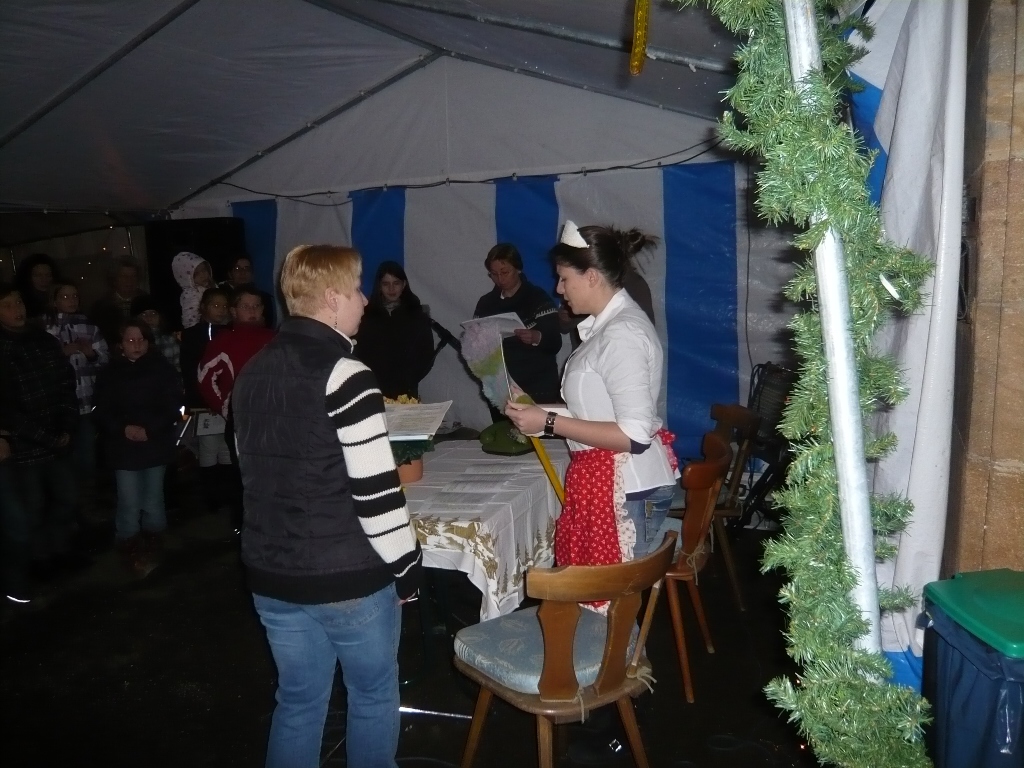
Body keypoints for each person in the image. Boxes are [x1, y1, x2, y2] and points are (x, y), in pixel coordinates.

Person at [233, 244, 422, 768]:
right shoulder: (348, 374)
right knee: (372, 695)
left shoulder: (251, 373)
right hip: (347, 578)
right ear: (334, 298)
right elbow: (377, 494)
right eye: (358, 288)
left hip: (271, 573)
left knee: (298, 701)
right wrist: (408, 570)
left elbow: (253, 476)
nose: (365, 299)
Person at [504, 222, 678, 566]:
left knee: (612, 595)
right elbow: (596, 410)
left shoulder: (622, 334)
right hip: (613, 482)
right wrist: (536, 411)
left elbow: (634, 435)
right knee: (603, 593)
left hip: (627, 488)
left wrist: (549, 422)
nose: (559, 289)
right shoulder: (610, 327)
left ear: (592, 277)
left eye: (564, 278)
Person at [0, 283, 81, 603]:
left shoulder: (44, 340)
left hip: (57, 436)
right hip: (25, 446)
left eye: (18, 302)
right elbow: (8, 411)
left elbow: (66, 383)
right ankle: (38, 560)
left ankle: (58, 550)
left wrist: (67, 426)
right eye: (7, 305)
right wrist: (47, 438)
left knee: (67, 499)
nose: (16, 309)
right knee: (31, 509)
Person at [94, 320, 182, 577]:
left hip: (155, 444)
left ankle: (155, 544)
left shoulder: (162, 370)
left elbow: (173, 405)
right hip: (123, 447)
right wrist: (123, 428)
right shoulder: (109, 373)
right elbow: (101, 409)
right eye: (130, 340)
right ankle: (129, 546)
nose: (136, 344)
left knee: (153, 498)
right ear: (120, 344)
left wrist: (151, 429)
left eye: (141, 339)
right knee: (129, 499)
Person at [197, 285, 276, 531]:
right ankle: (245, 525)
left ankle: (274, 523)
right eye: (245, 306)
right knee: (244, 474)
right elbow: (205, 377)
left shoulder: (275, 339)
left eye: (256, 306)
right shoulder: (224, 341)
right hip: (241, 422)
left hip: (275, 419)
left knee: (274, 473)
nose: (252, 311)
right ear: (233, 311)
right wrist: (226, 407)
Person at [45, 281, 110, 521]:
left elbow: (105, 360)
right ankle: (67, 512)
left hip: (85, 405)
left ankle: (87, 508)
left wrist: (91, 354)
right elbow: (40, 364)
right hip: (57, 409)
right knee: (63, 461)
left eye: (74, 295)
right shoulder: (45, 328)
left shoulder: (89, 326)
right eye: (65, 296)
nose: (71, 300)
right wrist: (62, 352)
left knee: (87, 459)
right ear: (54, 300)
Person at [473, 243, 562, 404]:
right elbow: (475, 344)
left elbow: (555, 342)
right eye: (494, 274)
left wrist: (536, 337)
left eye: (505, 272)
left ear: (518, 269)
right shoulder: (485, 303)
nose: (500, 279)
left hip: (537, 386)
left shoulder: (538, 298)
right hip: (500, 386)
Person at [179, 287, 231, 511]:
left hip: (228, 402)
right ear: (203, 308)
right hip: (204, 404)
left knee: (227, 447)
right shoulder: (192, 335)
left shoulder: (230, 331)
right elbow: (191, 371)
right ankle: (211, 498)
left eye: (224, 305)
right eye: (215, 305)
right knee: (209, 447)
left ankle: (227, 495)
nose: (221, 310)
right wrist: (203, 400)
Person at [355, 261, 434, 399]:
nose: (391, 289)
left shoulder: (417, 315)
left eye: (396, 283)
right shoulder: (365, 316)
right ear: (379, 286)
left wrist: (409, 380)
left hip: (406, 391)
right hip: (372, 389)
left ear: (404, 285)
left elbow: (426, 354)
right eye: (386, 284)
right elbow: (359, 352)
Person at [90, 258, 149, 345]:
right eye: (124, 276)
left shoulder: (147, 302)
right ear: (114, 280)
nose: (129, 280)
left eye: (133, 276)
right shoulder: (101, 306)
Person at [220, 254, 276, 328]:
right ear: (230, 274)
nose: (242, 272)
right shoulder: (221, 296)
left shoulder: (264, 298)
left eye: (247, 269)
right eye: (237, 268)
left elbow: (268, 323)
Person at [130, 294, 180, 372]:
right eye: (144, 314)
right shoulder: (131, 341)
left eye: (153, 314)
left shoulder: (169, 341)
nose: (149, 318)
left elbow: (177, 367)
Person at [172, 251, 214, 329]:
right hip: (201, 330)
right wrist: (194, 332)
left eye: (204, 270)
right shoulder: (191, 294)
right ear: (186, 277)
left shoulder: (212, 287)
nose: (202, 275)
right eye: (196, 274)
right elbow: (190, 319)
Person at [14, 253, 60, 322]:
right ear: (28, 277)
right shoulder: (21, 302)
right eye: (38, 275)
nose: (44, 279)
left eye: (48, 275)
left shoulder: (59, 297)